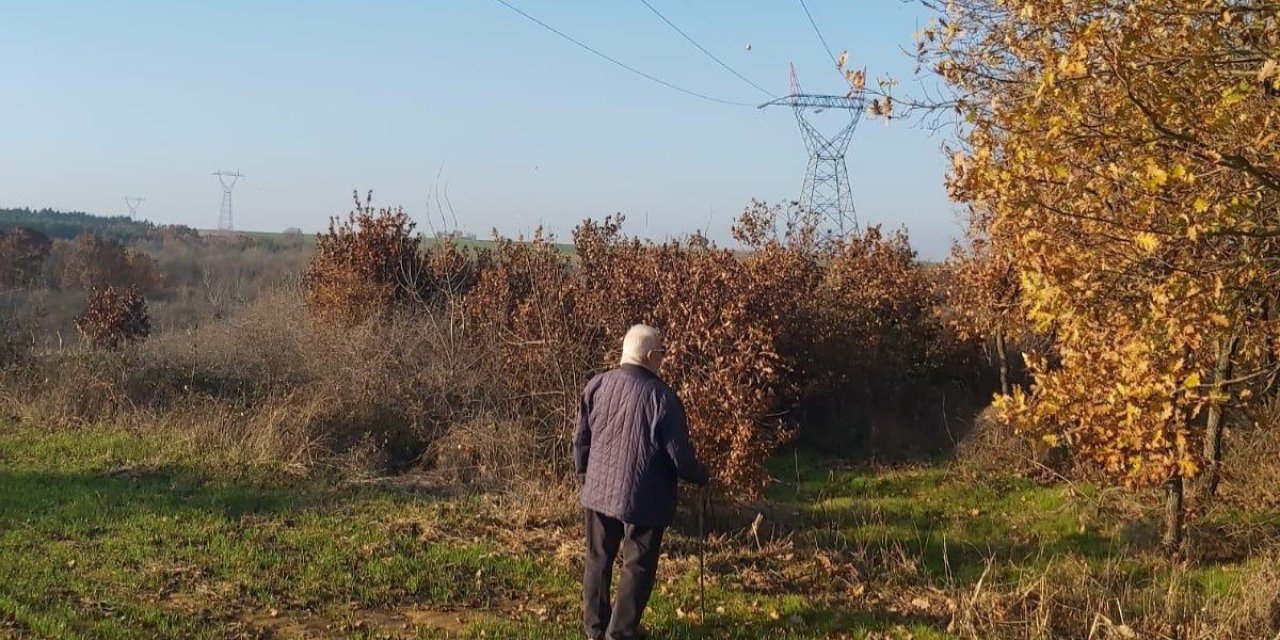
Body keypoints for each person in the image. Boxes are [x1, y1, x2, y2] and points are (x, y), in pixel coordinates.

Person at [573, 324, 710, 640]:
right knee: (637, 566)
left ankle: (595, 629)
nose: (663, 360)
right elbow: (680, 457)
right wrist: (701, 475)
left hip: (598, 491)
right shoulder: (663, 398)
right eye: (661, 354)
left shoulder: (596, 385)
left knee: (598, 559)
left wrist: (585, 475)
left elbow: (580, 438)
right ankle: (619, 634)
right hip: (644, 496)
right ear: (650, 356)